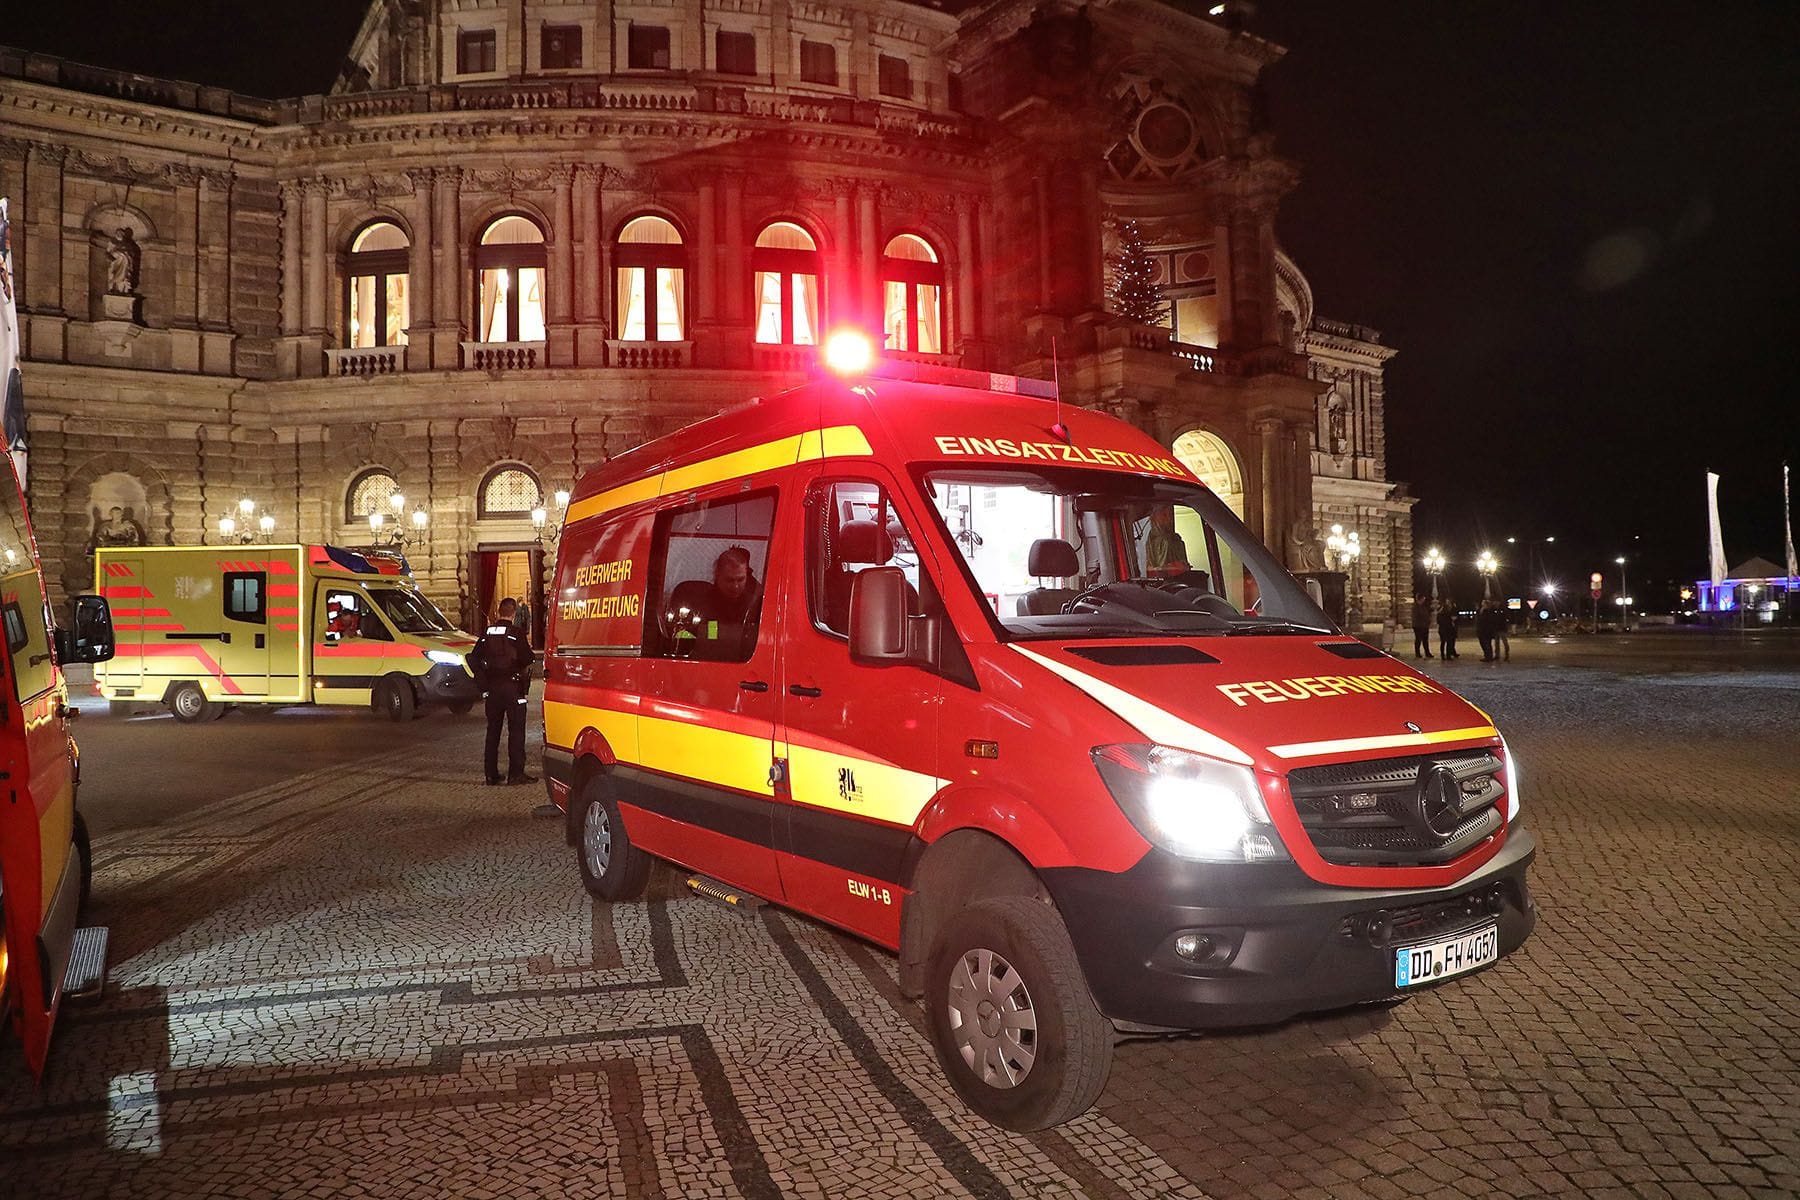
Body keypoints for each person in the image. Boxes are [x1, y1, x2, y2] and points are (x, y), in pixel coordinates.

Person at [470, 597, 537, 785]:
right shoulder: (516, 633)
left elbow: (473, 658)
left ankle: (491, 774)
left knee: (492, 732)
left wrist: (483, 681)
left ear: (499, 612)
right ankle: (516, 774)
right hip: (512, 687)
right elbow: (528, 657)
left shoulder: (487, 632)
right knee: (516, 731)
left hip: (493, 688)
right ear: (514, 613)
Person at [1143, 504, 1189, 578]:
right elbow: (1149, 571)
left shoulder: (1177, 540)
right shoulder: (1148, 541)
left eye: (1170, 515)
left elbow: (1185, 569)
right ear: (1154, 517)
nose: (1169, 519)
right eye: (1164, 515)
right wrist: (1168, 568)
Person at [1412, 595, 1435, 659]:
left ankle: (1427, 652)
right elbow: (1418, 616)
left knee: (1425, 640)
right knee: (1418, 640)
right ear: (1420, 599)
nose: (1424, 600)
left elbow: (1426, 613)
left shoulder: (1423, 607)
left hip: (1424, 626)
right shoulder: (1416, 607)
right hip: (1418, 626)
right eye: (1423, 599)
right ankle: (1418, 653)